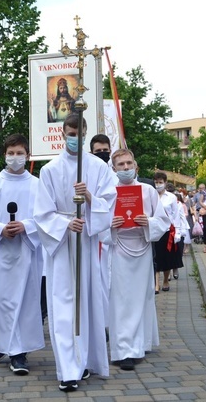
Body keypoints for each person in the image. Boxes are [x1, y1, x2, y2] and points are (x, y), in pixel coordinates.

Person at [33, 113, 117, 392]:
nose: (73, 138)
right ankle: (68, 369)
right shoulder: (50, 170)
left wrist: (90, 197)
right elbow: (42, 214)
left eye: (77, 134)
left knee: (88, 303)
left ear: (84, 134)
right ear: (62, 134)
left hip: (87, 244)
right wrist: (67, 222)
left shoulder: (98, 167)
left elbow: (109, 203)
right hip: (62, 244)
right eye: (68, 133)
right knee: (64, 306)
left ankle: (86, 362)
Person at [0, 134, 44, 376]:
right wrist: (0, 229)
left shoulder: (37, 185)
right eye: (11, 153)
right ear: (4, 154)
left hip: (26, 253)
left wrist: (26, 226)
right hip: (0, 252)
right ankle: (1, 343)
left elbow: (45, 217)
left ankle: (18, 353)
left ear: (28, 155)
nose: (15, 157)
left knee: (23, 303)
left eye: (20, 153)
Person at [109, 149, 170, 371]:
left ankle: (140, 344)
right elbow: (96, 221)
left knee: (142, 296)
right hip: (118, 248)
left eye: (128, 163)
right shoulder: (108, 191)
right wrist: (110, 224)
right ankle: (124, 350)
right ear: (113, 168)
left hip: (142, 247)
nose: (125, 168)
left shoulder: (148, 191)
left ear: (135, 165)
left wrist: (148, 221)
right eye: (120, 164)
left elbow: (163, 220)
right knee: (122, 299)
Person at [89, 133, 113, 332]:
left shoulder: (115, 175)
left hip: (116, 235)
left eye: (105, 151)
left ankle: (109, 322)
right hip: (93, 233)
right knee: (96, 279)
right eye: (98, 151)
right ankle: (99, 323)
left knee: (110, 281)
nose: (102, 154)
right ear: (91, 152)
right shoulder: (87, 172)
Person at [153, 172, 182, 294]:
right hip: (154, 230)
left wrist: (177, 231)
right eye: (156, 182)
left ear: (165, 183)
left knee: (166, 258)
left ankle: (165, 280)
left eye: (160, 182)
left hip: (167, 231)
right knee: (155, 257)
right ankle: (156, 284)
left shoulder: (171, 197)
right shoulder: (151, 195)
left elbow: (176, 215)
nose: (158, 185)